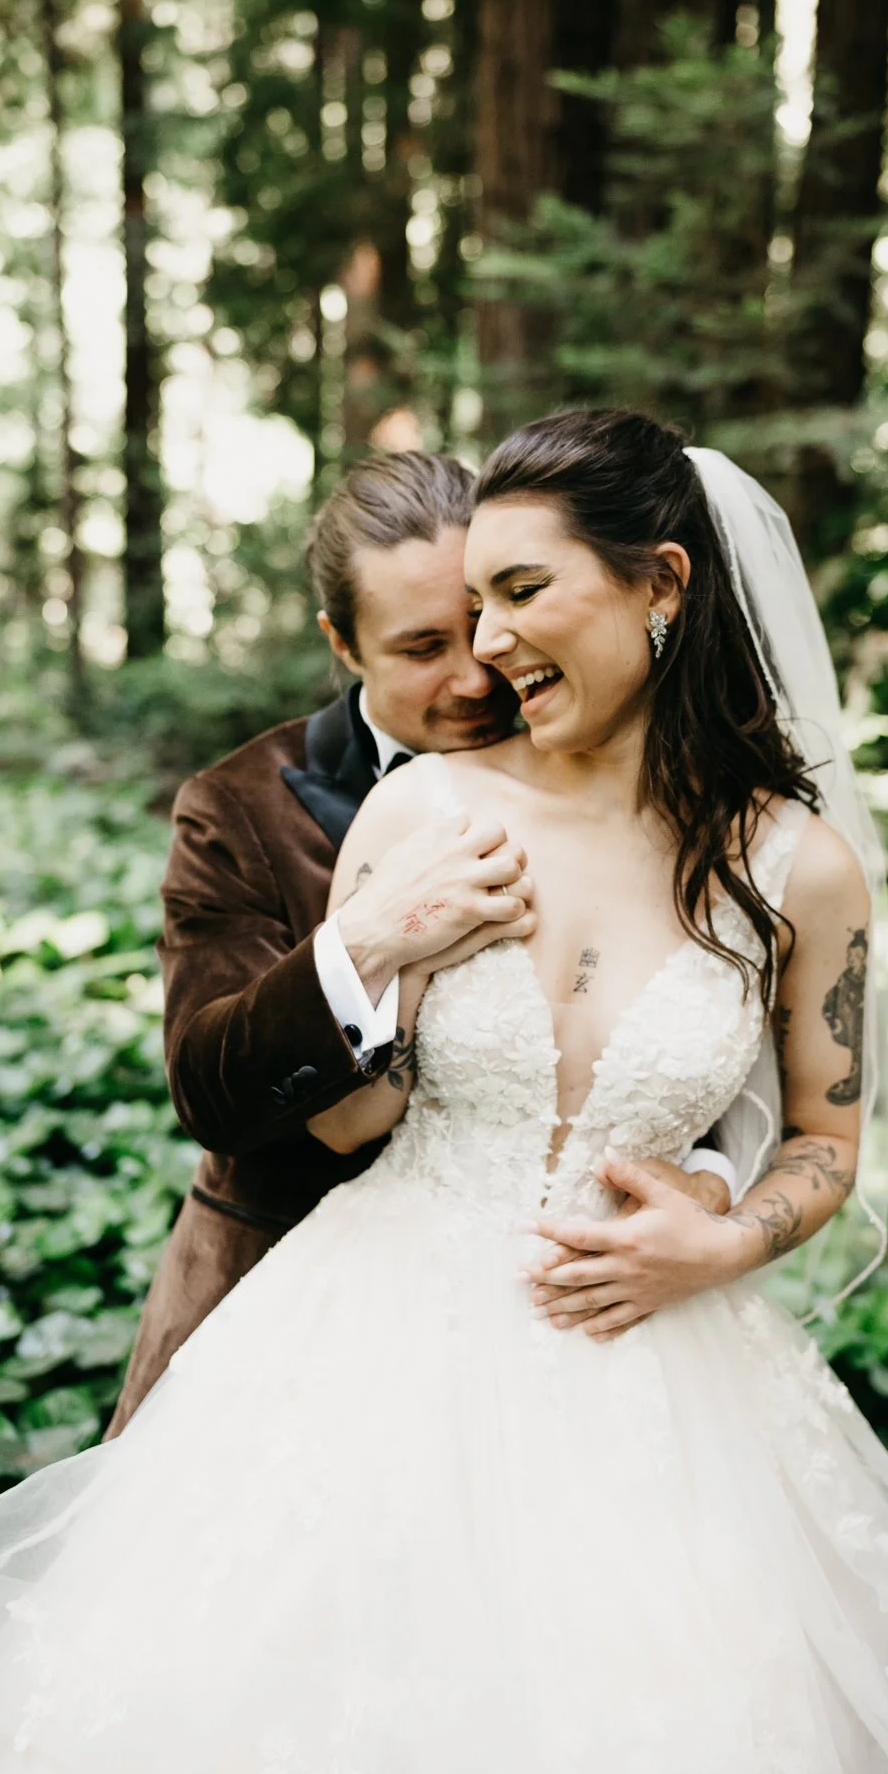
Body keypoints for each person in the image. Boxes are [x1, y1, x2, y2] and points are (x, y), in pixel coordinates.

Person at [0, 412, 888, 1774]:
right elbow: (325, 1126)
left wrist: (727, 1238)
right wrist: (381, 951)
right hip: (363, 1344)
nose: (486, 647)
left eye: (515, 595)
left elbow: (822, 1137)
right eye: (457, 613)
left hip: (652, 1378)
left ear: (662, 585)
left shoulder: (800, 867)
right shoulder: (424, 808)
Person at [108, 446, 733, 1434]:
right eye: (419, 645)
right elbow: (208, 1088)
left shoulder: (626, 771)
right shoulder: (237, 806)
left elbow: (698, 1021)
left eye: (489, 615)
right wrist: (366, 935)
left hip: (573, 1329)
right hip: (274, 1305)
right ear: (341, 644)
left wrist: (713, 1179)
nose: (478, 669)